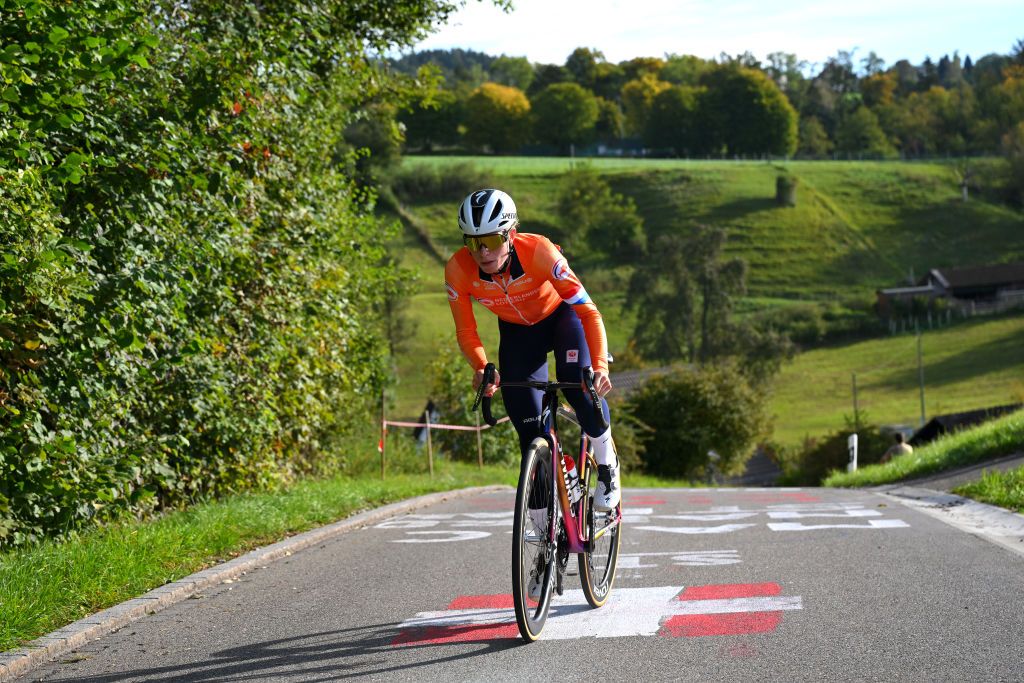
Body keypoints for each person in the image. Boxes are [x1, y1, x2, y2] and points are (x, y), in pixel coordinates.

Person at [444, 188, 620, 514]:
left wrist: (599, 367)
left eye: (492, 241)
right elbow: (466, 330)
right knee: (527, 426)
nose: (482, 251)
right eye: (473, 242)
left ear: (511, 234)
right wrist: (482, 367)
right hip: (518, 331)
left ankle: (608, 465)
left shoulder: (539, 251)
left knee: (578, 384)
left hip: (563, 318)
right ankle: (540, 531)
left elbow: (588, 310)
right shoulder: (457, 269)